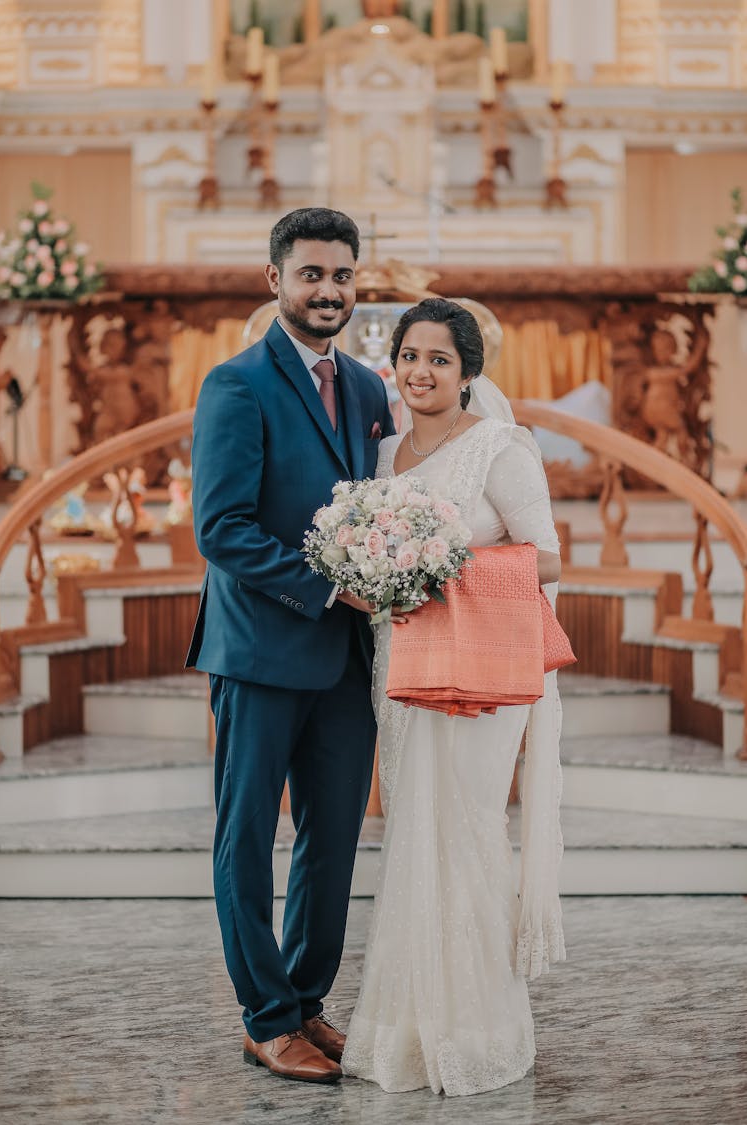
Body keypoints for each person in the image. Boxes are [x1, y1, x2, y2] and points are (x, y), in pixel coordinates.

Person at [186, 208, 395, 1084]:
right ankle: (265, 1016)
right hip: (262, 651)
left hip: (345, 658)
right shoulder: (236, 385)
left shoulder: (372, 389)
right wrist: (327, 586)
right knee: (246, 840)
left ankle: (308, 1000)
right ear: (275, 279)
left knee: (334, 837)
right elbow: (221, 528)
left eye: (342, 276)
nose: (328, 291)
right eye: (311, 274)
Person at [342, 297, 566, 1097]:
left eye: (440, 358)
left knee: (467, 828)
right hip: (402, 663)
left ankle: (480, 1024)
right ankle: (410, 1021)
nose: (421, 371)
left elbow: (546, 558)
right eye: (410, 356)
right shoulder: (386, 454)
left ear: (469, 372)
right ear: (393, 365)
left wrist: (438, 565)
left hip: (480, 669)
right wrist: (379, 580)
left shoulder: (502, 447)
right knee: (413, 829)